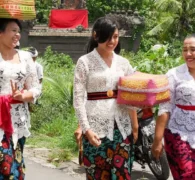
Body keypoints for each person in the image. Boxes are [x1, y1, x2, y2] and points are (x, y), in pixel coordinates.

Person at [73, 17, 138, 180]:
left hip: (121, 129)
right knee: (97, 175)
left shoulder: (124, 63)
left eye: (115, 36)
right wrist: (86, 129)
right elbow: (79, 99)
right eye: (108, 37)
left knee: (122, 175)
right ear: (96, 36)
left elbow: (131, 95)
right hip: (95, 129)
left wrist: (135, 125)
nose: (112, 41)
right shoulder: (84, 62)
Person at [0, 18, 41, 179]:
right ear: (1, 33)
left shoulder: (26, 58)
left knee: (15, 163)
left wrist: (23, 95)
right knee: (5, 164)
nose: (17, 34)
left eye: (18, 31)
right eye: (12, 30)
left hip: (18, 119)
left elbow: (36, 88)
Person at [152, 34, 195, 179]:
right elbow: (165, 108)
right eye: (185, 50)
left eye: (193, 50)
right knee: (187, 174)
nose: (188, 54)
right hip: (178, 133)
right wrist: (157, 140)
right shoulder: (174, 74)